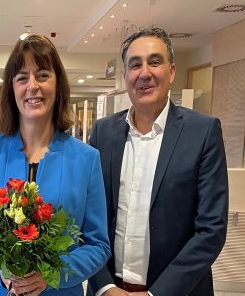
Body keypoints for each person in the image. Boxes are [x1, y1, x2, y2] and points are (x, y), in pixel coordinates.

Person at [0, 34, 111, 296]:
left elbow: (98, 244)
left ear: (58, 85)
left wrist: (51, 274)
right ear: (12, 88)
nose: (33, 86)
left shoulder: (86, 159)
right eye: (22, 78)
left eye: (43, 75)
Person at [87, 28, 228, 296]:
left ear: (172, 71)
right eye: (135, 64)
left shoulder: (203, 132)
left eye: (154, 62)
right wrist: (104, 286)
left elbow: (211, 230)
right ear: (126, 75)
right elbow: (88, 219)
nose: (144, 73)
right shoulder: (103, 133)